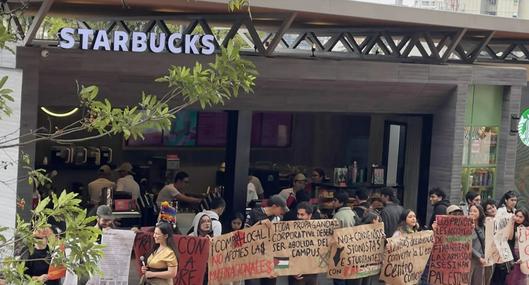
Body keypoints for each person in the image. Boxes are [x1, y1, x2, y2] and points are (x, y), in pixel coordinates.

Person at [287, 202, 318, 285]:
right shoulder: (289, 231)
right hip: (296, 275)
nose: (299, 217)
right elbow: (281, 252)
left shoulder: (318, 231)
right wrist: (290, 270)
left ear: (309, 215)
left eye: (302, 214)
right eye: (298, 214)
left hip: (312, 273)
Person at [492, 190, 518, 285]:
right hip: (502, 242)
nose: (514, 202)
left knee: (509, 271)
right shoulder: (500, 211)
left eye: (515, 200)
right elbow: (497, 228)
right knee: (500, 269)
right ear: (506, 200)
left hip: (512, 243)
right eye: (512, 200)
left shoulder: (516, 211)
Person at [505, 208, 529, 285]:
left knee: (523, 274)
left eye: (520, 217)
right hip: (514, 252)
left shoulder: (527, 228)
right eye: (517, 216)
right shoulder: (514, 225)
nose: (518, 218)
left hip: (525, 253)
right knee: (515, 274)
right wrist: (511, 222)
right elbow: (510, 237)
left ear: (525, 217)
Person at [469, 204, 486, 285]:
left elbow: (485, 241)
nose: (472, 213)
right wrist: (478, 257)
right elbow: (467, 243)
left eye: (475, 211)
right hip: (470, 258)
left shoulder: (483, 226)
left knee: (478, 281)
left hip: (482, 259)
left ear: (480, 213)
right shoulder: (466, 226)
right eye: (470, 211)